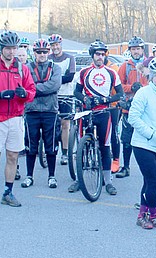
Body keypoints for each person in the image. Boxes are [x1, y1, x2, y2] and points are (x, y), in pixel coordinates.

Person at [0, 31, 35, 208]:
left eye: (14, 48)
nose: (11, 52)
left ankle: (8, 192)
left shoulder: (22, 69)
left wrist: (25, 94)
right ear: (2, 49)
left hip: (16, 118)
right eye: (8, 49)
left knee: (13, 156)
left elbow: (32, 91)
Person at [71, 39, 125, 195]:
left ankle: (108, 182)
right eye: (97, 54)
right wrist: (84, 99)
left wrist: (106, 99)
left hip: (104, 113)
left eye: (103, 54)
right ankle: (78, 180)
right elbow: (76, 92)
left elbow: (120, 94)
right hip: (87, 113)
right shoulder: (84, 72)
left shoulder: (111, 73)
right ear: (92, 55)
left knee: (104, 146)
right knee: (82, 146)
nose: (100, 57)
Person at [127, 57, 156, 229]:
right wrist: (150, 134)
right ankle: (154, 215)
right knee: (153, 179)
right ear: (151, 77)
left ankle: (142, 215)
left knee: (148, 181)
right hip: (143, 144)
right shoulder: (143, 93)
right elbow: (133, 117)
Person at [22, 39, 62, 189]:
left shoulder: (55, 68)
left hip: (50, 110)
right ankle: (29, 176)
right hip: (31, 110)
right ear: (34, 53)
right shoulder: (27, 68)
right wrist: (35, 89)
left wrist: (33, 90)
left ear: (49, 52)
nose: (42, 54)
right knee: (30, 145)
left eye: (45, 52)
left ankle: (52, 176)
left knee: (50, 145)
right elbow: (25, 85)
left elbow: (55, 85)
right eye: (39, 52)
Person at [116, 35, 148, 179]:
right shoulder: (125, 66)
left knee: (146, 138)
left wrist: (143, 87)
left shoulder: (148, 65)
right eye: (134, 49)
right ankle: (126, 166)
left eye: (138, 49)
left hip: (146, 108)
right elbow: (117, 86)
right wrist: (131, 87)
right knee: (127, 139)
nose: (136, 52)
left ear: (142, 50)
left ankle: (148, 168)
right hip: (129, 107)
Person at [48, 34, 77, 166]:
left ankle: (65, 153)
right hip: (51, 95)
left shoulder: (69, 58)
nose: (55, 47)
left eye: (57, 45)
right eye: (53, 45)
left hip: (66, 95)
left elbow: (70, 77)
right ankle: (51, 150)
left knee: (65, 125)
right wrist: (57, 80)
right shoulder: (48, 59)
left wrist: (54, 80)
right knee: (52, 124)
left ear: (61, 45)